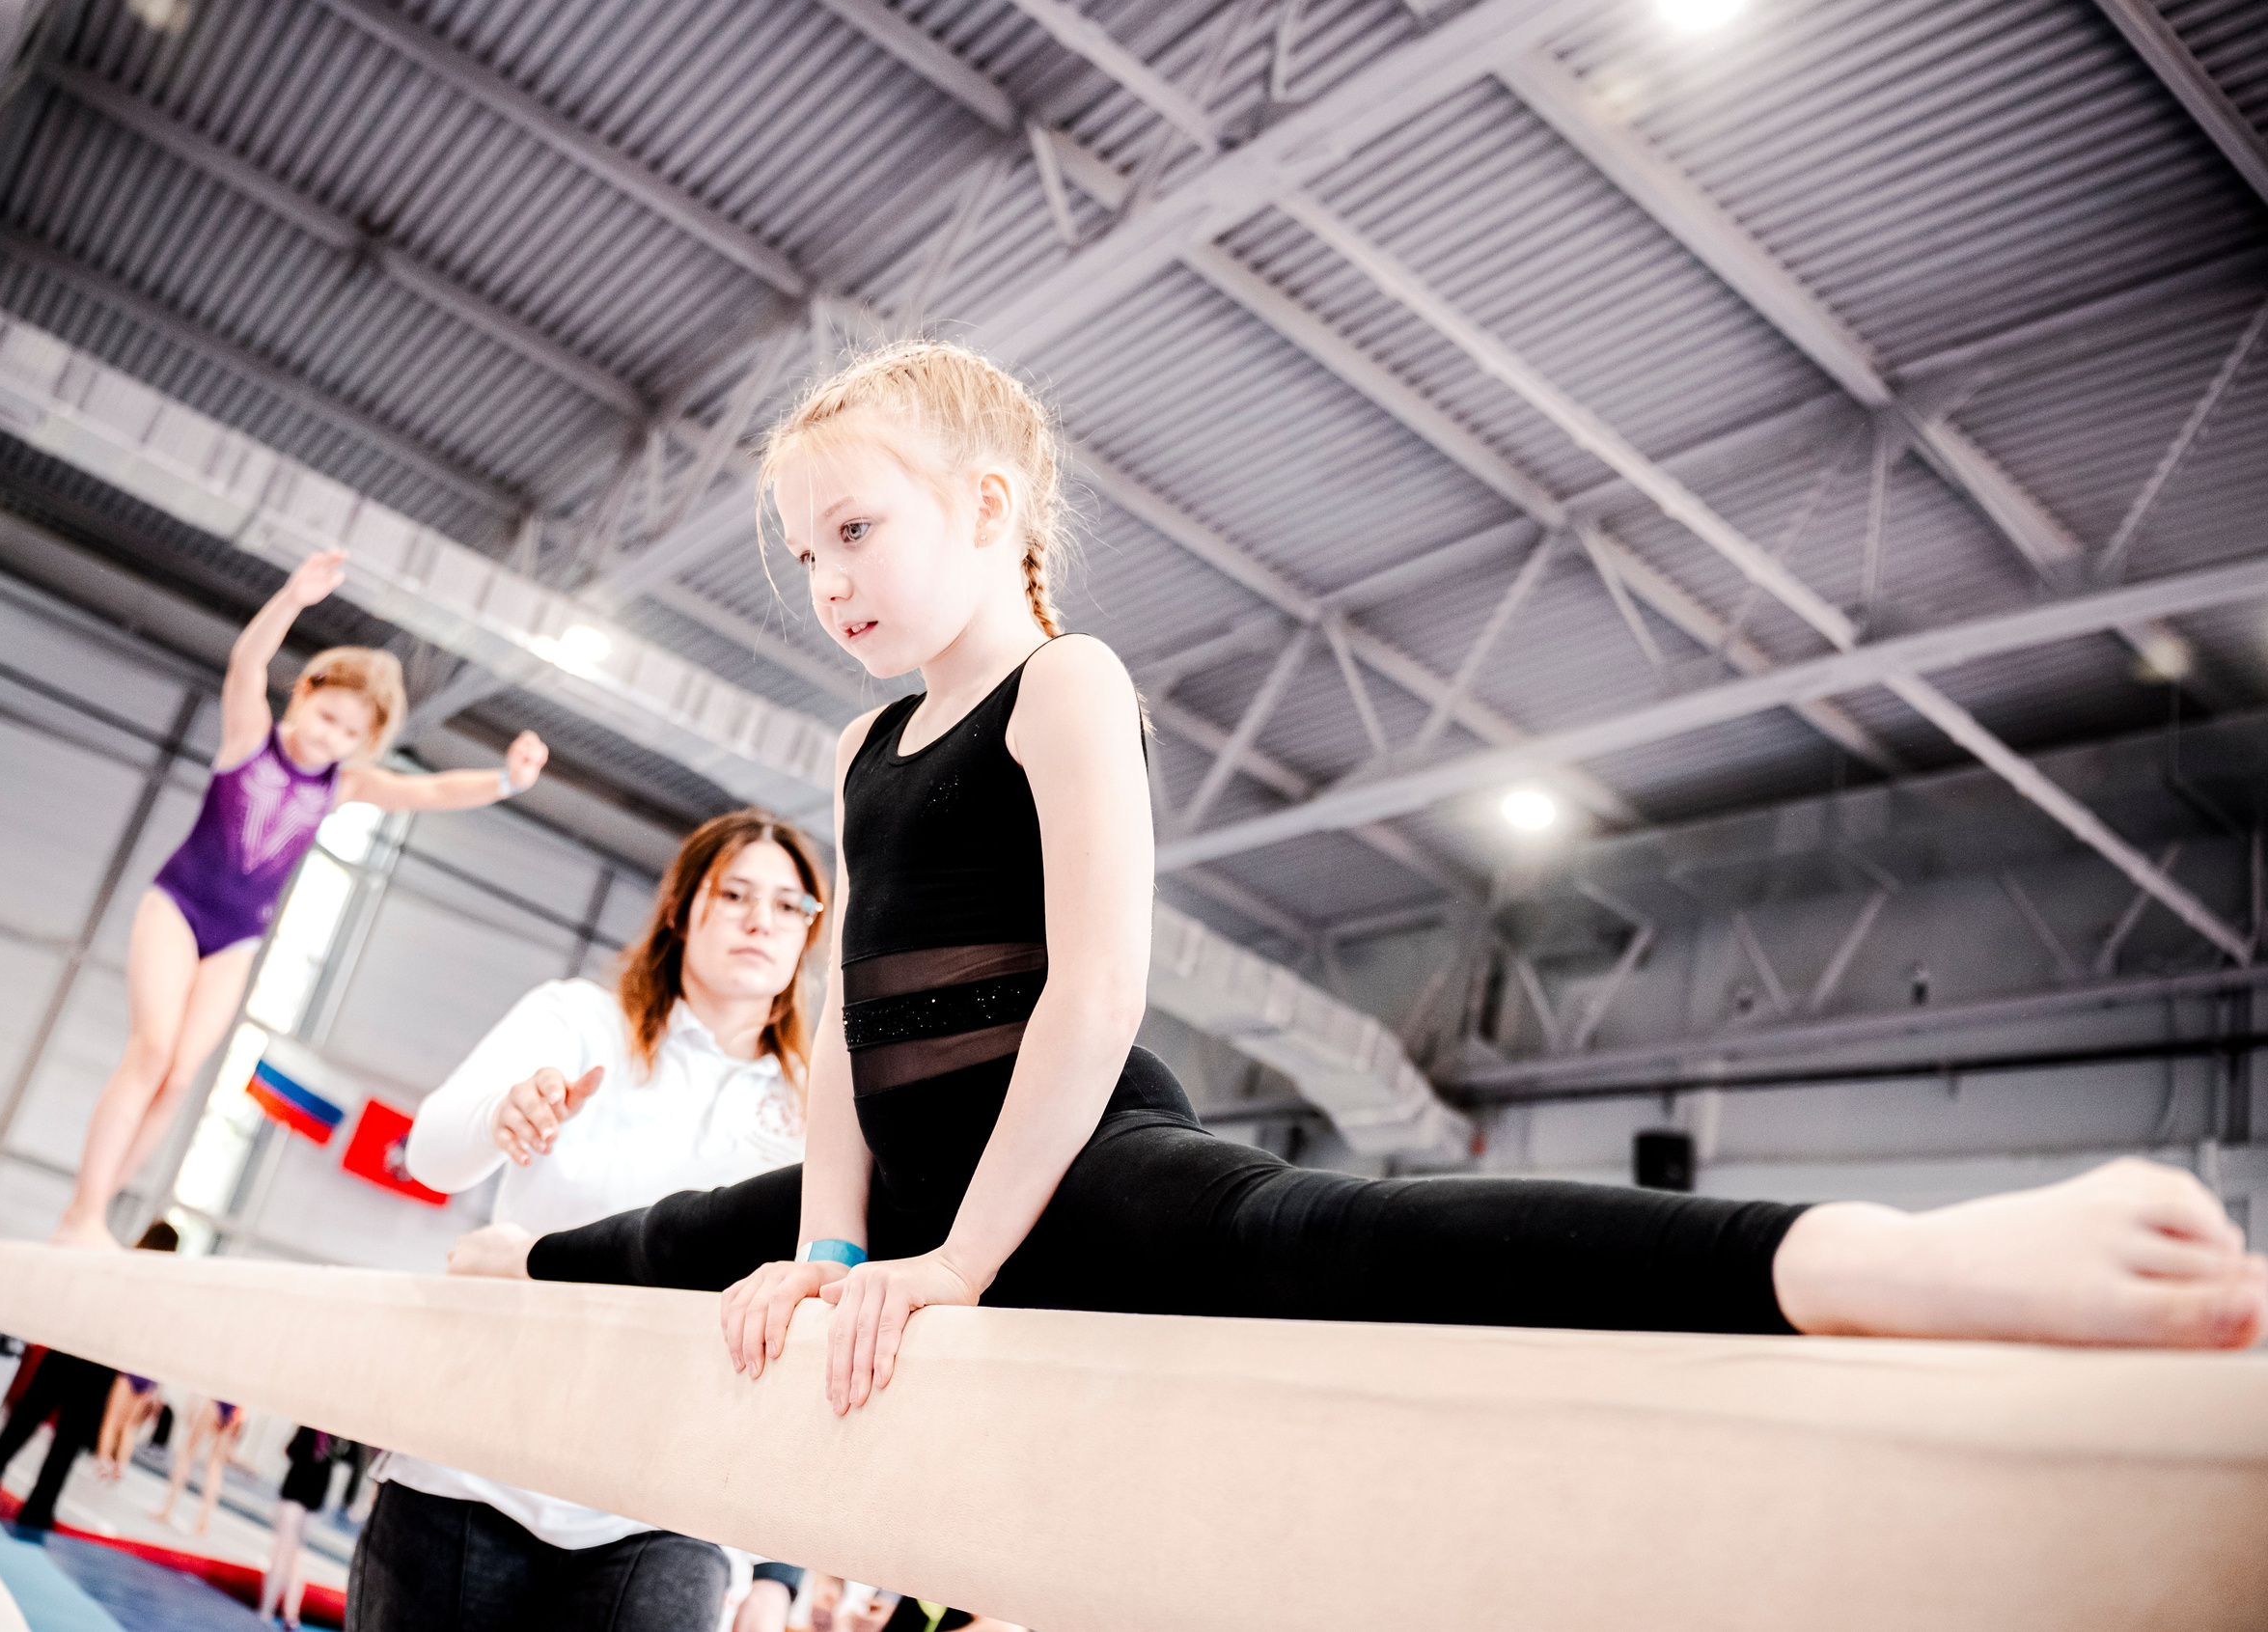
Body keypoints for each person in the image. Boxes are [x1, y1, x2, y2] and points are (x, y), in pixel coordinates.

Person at [456, 339, 2267, 1416]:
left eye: (858, 528)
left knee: (1337, 1236)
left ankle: (1878, 1258)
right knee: (695, 1245)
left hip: (1075, 1153)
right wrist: (840, 1247)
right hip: (922, 1192)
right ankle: (504, 1262)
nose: (827, 578)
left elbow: (1093, 990)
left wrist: (956, 1263)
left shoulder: (1063, 684)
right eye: (803, 552)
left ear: (992, 505)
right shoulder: (858, 758)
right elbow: (842, 1032)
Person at [359, 808, 826, 1632]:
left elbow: (813, 1317)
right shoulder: (579, 1020)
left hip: (664, 1501)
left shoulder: (818, 1108)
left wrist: (778, 1566)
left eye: (791, 906)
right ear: (684, 908)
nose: (763, 920)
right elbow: (430, 1155)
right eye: (737, 894)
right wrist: (501, 1114)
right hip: (476, 1465)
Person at [53, 548, 551, 1247]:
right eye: (327, 717)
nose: (331, 738)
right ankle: (80, 1213)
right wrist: (292, 598)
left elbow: (428, 791)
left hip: (236, 937)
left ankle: (100, 1213)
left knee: (180, 1074)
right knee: (151, 1049)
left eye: (351, 734)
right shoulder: (249, 737)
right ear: (305, 693)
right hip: (176, 907)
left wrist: (506, 781)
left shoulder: (341, 784)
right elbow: (246, 666)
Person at [0, 1220, 181, 1531]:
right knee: (66, 1444)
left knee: (23, 1423)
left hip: (69, 1350)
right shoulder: (154, 1285)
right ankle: (39, 1508)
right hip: (99, 1365)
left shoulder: (115, 1265)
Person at [262, 1425, 340, 1629]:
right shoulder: (335, 1435)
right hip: (313, 1497)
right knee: (294, 1556)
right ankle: (288, 1612)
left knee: (284, 1554)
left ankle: (269, 1610)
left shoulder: (313, 1426)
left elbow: (292, 1450)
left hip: (298, 1492)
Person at [154, 1393, 247, 1535]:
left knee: (187, 1453)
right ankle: (203, 1522)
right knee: (214, 1464)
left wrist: (192, 1405)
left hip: (216, 1401)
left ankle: (167, 1510)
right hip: (233, 1407)